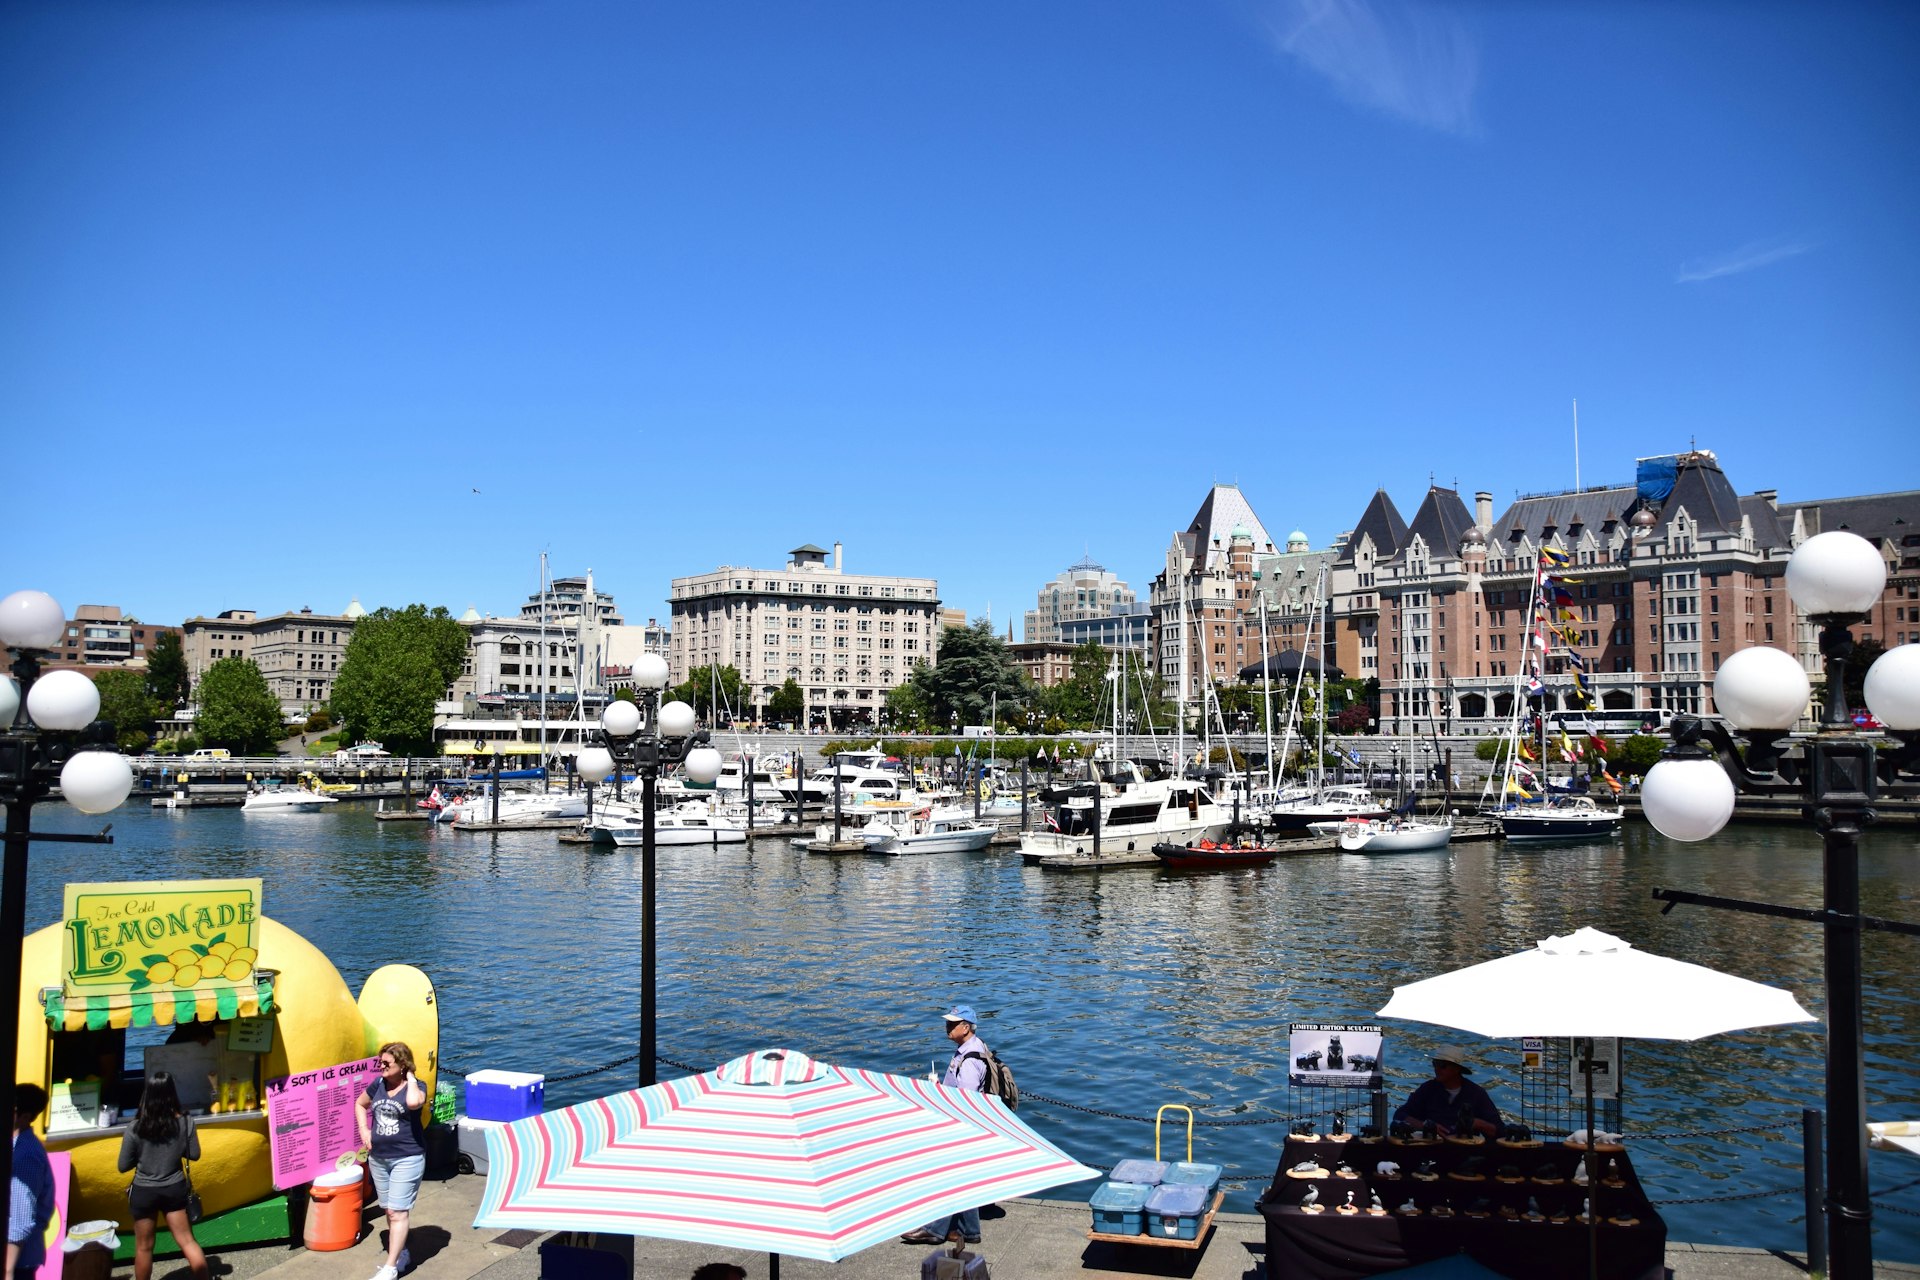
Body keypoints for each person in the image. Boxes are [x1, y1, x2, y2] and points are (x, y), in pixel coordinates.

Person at [899, 1004, 990, 1247]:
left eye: (952, 1023)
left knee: (948, 1173)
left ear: (966, 1027)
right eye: (948, 1022)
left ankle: (934, 1229)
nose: (947, 1027)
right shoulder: (972, 1048)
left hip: (963, 1123)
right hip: (972, 1123)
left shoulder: (969, 1059)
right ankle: (968, 1231)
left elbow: (966, 1098)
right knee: (963, 1176)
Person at [118, 1072, 211, 1280]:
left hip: (144, 1192)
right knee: (187, 1241)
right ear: (172, 1093)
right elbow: (194, 1154)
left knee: (143, 1247)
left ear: (147, 1094)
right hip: (174, 1188)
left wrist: (143, 1157)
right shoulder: (186, 1122)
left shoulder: (135, 1127)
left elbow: (123, 1166)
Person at [355, 1042, 427, 1280]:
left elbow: (415, 1103)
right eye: (380, 1062)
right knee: (389, 1209)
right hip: (379, 1159)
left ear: (403, 1065)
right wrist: (364, 1130)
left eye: (387, 1063)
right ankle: (401, 1252)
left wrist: (412, 1078)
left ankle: (390, 1267)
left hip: (407, 1158)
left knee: (397, 1212)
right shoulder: (378, 1084)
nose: (381, 1066)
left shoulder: (416, 1087)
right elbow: (359, 1103)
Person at [1392, 1045, 1501, 1138]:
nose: (1437, 1069)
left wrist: (1477, 1123)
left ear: (1457, 1069)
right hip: (1432, 1148)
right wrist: (1424, 1125)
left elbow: (1499, 1131)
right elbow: (1400, 1115)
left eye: (1442, 1065)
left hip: (1464, 1152)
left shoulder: (1476, 1093)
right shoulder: (1427, 1089)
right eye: (1435, 1063)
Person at [8, 1084, 54, 1280]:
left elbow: (21, 1218)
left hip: (16, 1260)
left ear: (25, 1117)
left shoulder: (25, 1154)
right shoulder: (15, 1145)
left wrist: (7, 1270)